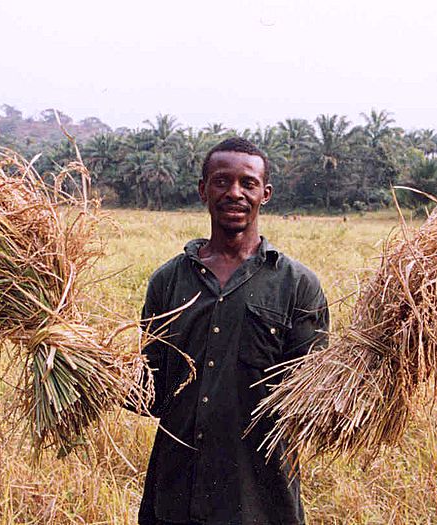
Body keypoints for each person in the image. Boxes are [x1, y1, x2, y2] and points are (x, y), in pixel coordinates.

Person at [136, 137, 329, 525]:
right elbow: (151, 392)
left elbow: (310, 405)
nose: (234, 193)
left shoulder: (298, 286)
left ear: (265, 193)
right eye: (222, 182)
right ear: (203, 190)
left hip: (260, 500)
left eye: (248, 183)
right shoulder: (168, 282)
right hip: (176, 497)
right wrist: (92, 370)